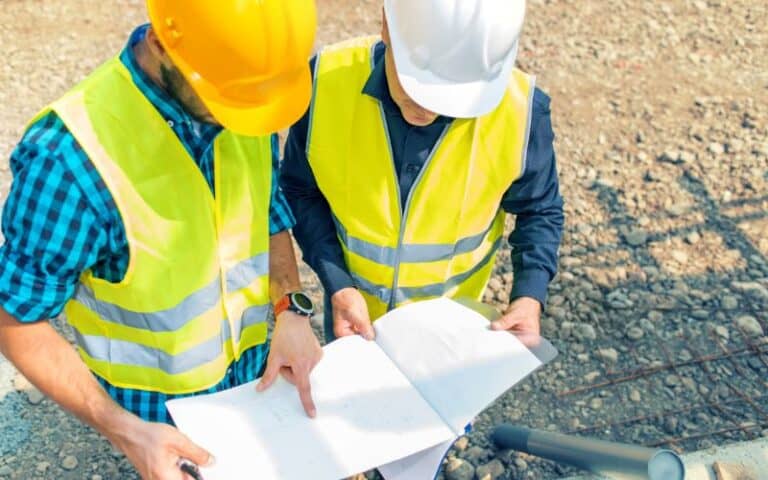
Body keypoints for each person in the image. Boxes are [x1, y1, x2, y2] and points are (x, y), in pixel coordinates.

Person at [0, 1, 322, 478]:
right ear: (160, 43)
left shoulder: (243, 93)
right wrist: (125, 430)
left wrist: (289, 309)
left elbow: (268, 209)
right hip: (155, 415)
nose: (246, 119)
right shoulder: (68, 159)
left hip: (252, 386)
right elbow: (15, 319)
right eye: (227, 100)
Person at [281, 0, 564, 345]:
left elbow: (539, 209)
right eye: (418, 84)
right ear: (386, 22)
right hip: (353, 320)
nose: (428, 106)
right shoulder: (326, 81)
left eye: (451, 95)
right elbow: (300, 190)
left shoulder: (521, 111)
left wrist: (528, 295)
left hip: (453, 332)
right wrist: (338, 284)